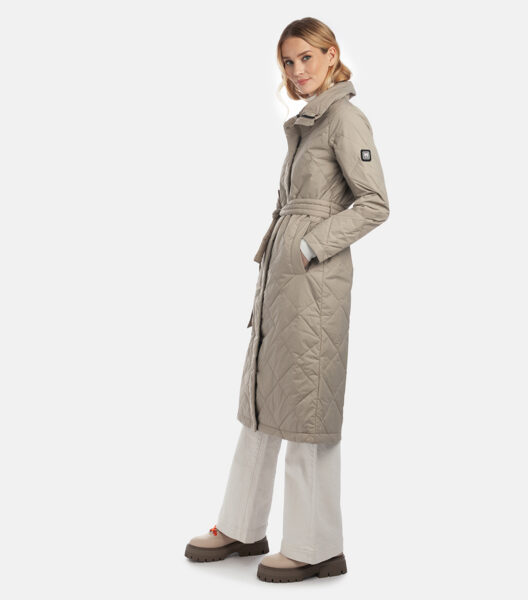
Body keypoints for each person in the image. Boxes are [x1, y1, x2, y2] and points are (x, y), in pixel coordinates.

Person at [185, 17, 390, 583]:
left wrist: (309, 245)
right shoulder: (308, 121)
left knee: (306, 409)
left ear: (331, 55)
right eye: (288, 62)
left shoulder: (344, 118)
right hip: (283, 283)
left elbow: (375, 203)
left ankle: (315, 546)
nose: (297, 71)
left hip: (315, 286)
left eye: (306, 58)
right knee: (261, 403)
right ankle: (241, 526)